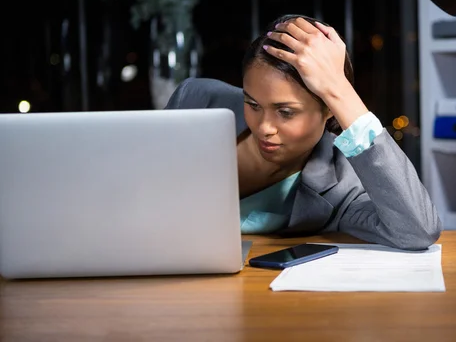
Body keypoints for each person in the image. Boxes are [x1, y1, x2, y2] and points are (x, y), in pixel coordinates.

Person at [165, 14, 441, 250]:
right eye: (252, 104)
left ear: (329, 107)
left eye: (286, 112)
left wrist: (340, 89)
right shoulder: (196, 100)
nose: (264, 128)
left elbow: (417, 230)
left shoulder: (341, 188)